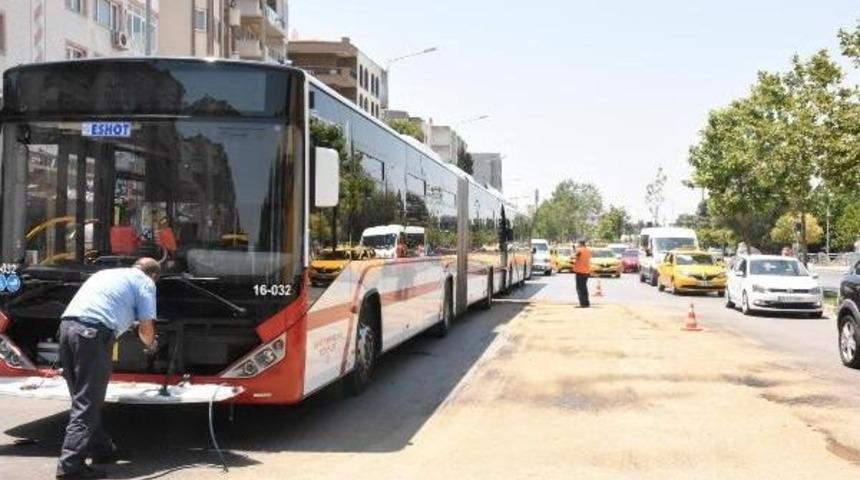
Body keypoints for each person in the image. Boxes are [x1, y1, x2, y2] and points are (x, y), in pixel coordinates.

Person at [56, 258, 160, 479]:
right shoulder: (145, 282)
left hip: (66, 329)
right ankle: (70, 468)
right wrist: (151, 345)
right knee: (88, 401)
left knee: (81, 397)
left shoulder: (106, 274)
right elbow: (146, 327)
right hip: (92, 333)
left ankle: (102, 449)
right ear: (154, 275)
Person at [573, 239, 592, 307]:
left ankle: (582, 303)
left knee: (580, 288)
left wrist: (574, 251)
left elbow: (575, 256)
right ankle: (586, 302)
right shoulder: (588, 250)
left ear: (580, 244)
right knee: (584, 288)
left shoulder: (580, 250)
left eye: (578, 244)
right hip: (586, 271)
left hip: (580, 271)